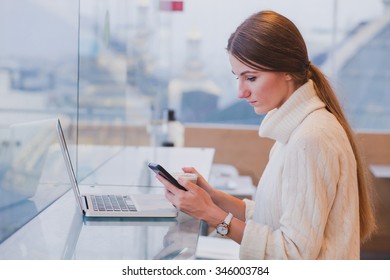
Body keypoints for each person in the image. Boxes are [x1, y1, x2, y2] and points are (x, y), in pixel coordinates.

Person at [156, 10, 376, 259]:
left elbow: (293, 253)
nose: (241, 92)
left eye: (251, 77)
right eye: (238, 78)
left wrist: (212, 215)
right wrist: (213, 198)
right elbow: (272, 217)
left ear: (288, 72)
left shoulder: (310, 138)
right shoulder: (296, 129)